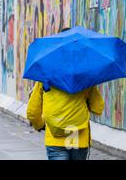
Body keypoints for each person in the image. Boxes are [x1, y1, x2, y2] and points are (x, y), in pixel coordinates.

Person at [26, 28, 105, 160]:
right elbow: (98, 108)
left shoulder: (46, 77)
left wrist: (40, 125)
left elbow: (32, 112)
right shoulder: (85, 77)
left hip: (55, 138)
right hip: (78, 138)